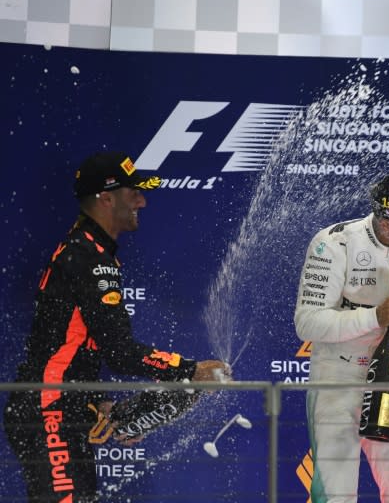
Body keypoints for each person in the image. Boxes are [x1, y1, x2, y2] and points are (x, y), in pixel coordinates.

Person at [2, 151, 229, 502]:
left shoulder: (88, 251)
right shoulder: (89, 258)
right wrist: (188, 371)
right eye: (133, 192)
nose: (142, 200)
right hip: (50, 406)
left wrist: (95, 401)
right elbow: (119, 351)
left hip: (62, 406)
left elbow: (68, 342)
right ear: (106, 198)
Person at [294, 171, 389, 503]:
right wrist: (375, 316)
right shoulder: (334, 243)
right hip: (335, 377)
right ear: (386, 219)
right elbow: (307, 323)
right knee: (335, 493)